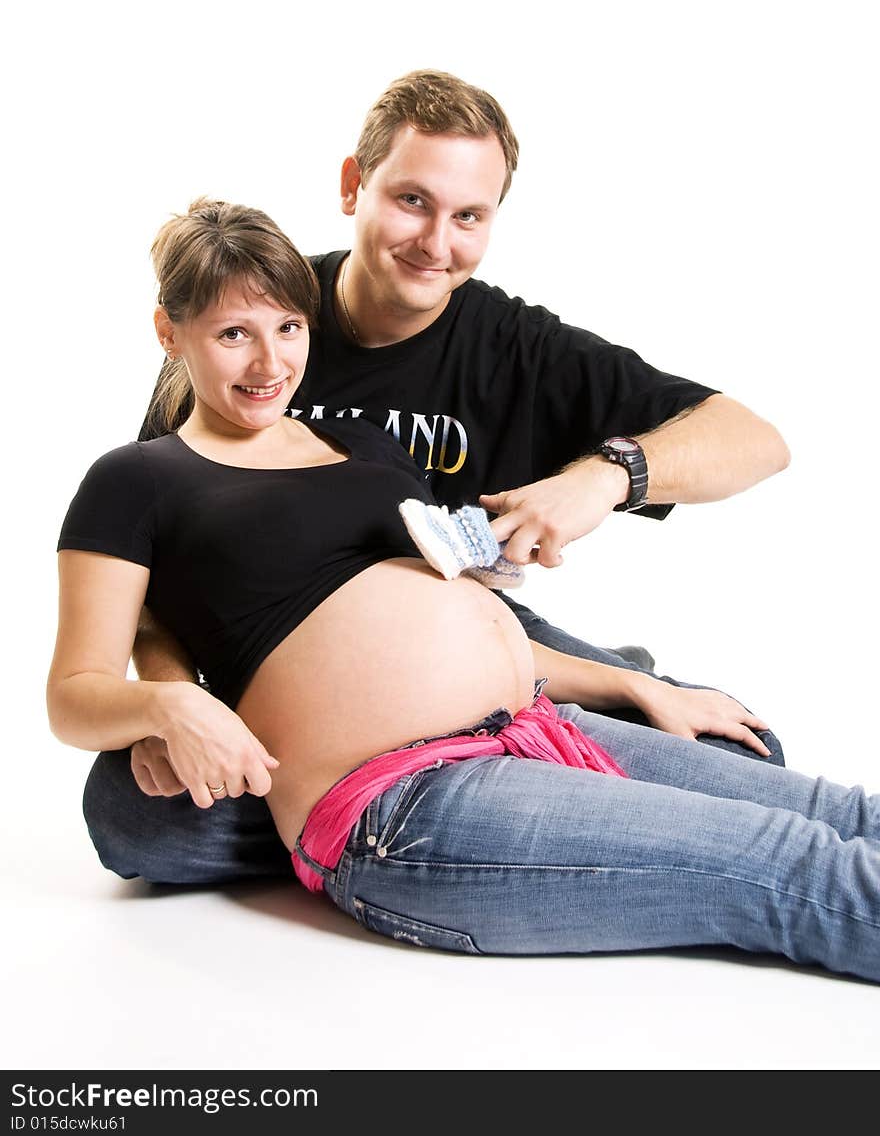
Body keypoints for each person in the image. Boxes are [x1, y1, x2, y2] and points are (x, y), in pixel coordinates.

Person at [49, 201, 880, 982]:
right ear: (170, 333)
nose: (271, 363)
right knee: (804, 870)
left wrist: (636, 685)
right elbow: (74, 693)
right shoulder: (136, 480)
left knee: (837, 813)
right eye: (234, 333)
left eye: (290, 328)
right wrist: (169, 706)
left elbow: (453, 607)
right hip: (403, 800)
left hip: (535, 723)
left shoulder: (360, 443)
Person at [86, 70, 791, 885]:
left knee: (751, 756)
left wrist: (606, 476)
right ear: (354, 184)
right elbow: (141, 580)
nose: (435, 242)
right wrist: (177, 707)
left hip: (465, 653)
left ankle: (497, 756)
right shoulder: (250, 322)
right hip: (280, 688)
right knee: (138, 825)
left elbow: (755, 440)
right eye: (412, 201)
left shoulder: (515, 345)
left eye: (469, 217)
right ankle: (444, 796)